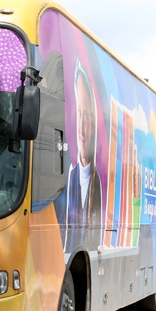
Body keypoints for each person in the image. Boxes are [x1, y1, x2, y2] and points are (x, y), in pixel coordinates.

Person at [64, 63, 103, 252]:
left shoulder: (98, 183)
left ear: (94, 124)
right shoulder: (71, 177)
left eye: (86, 116)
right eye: (79, 114)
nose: (81, 128)